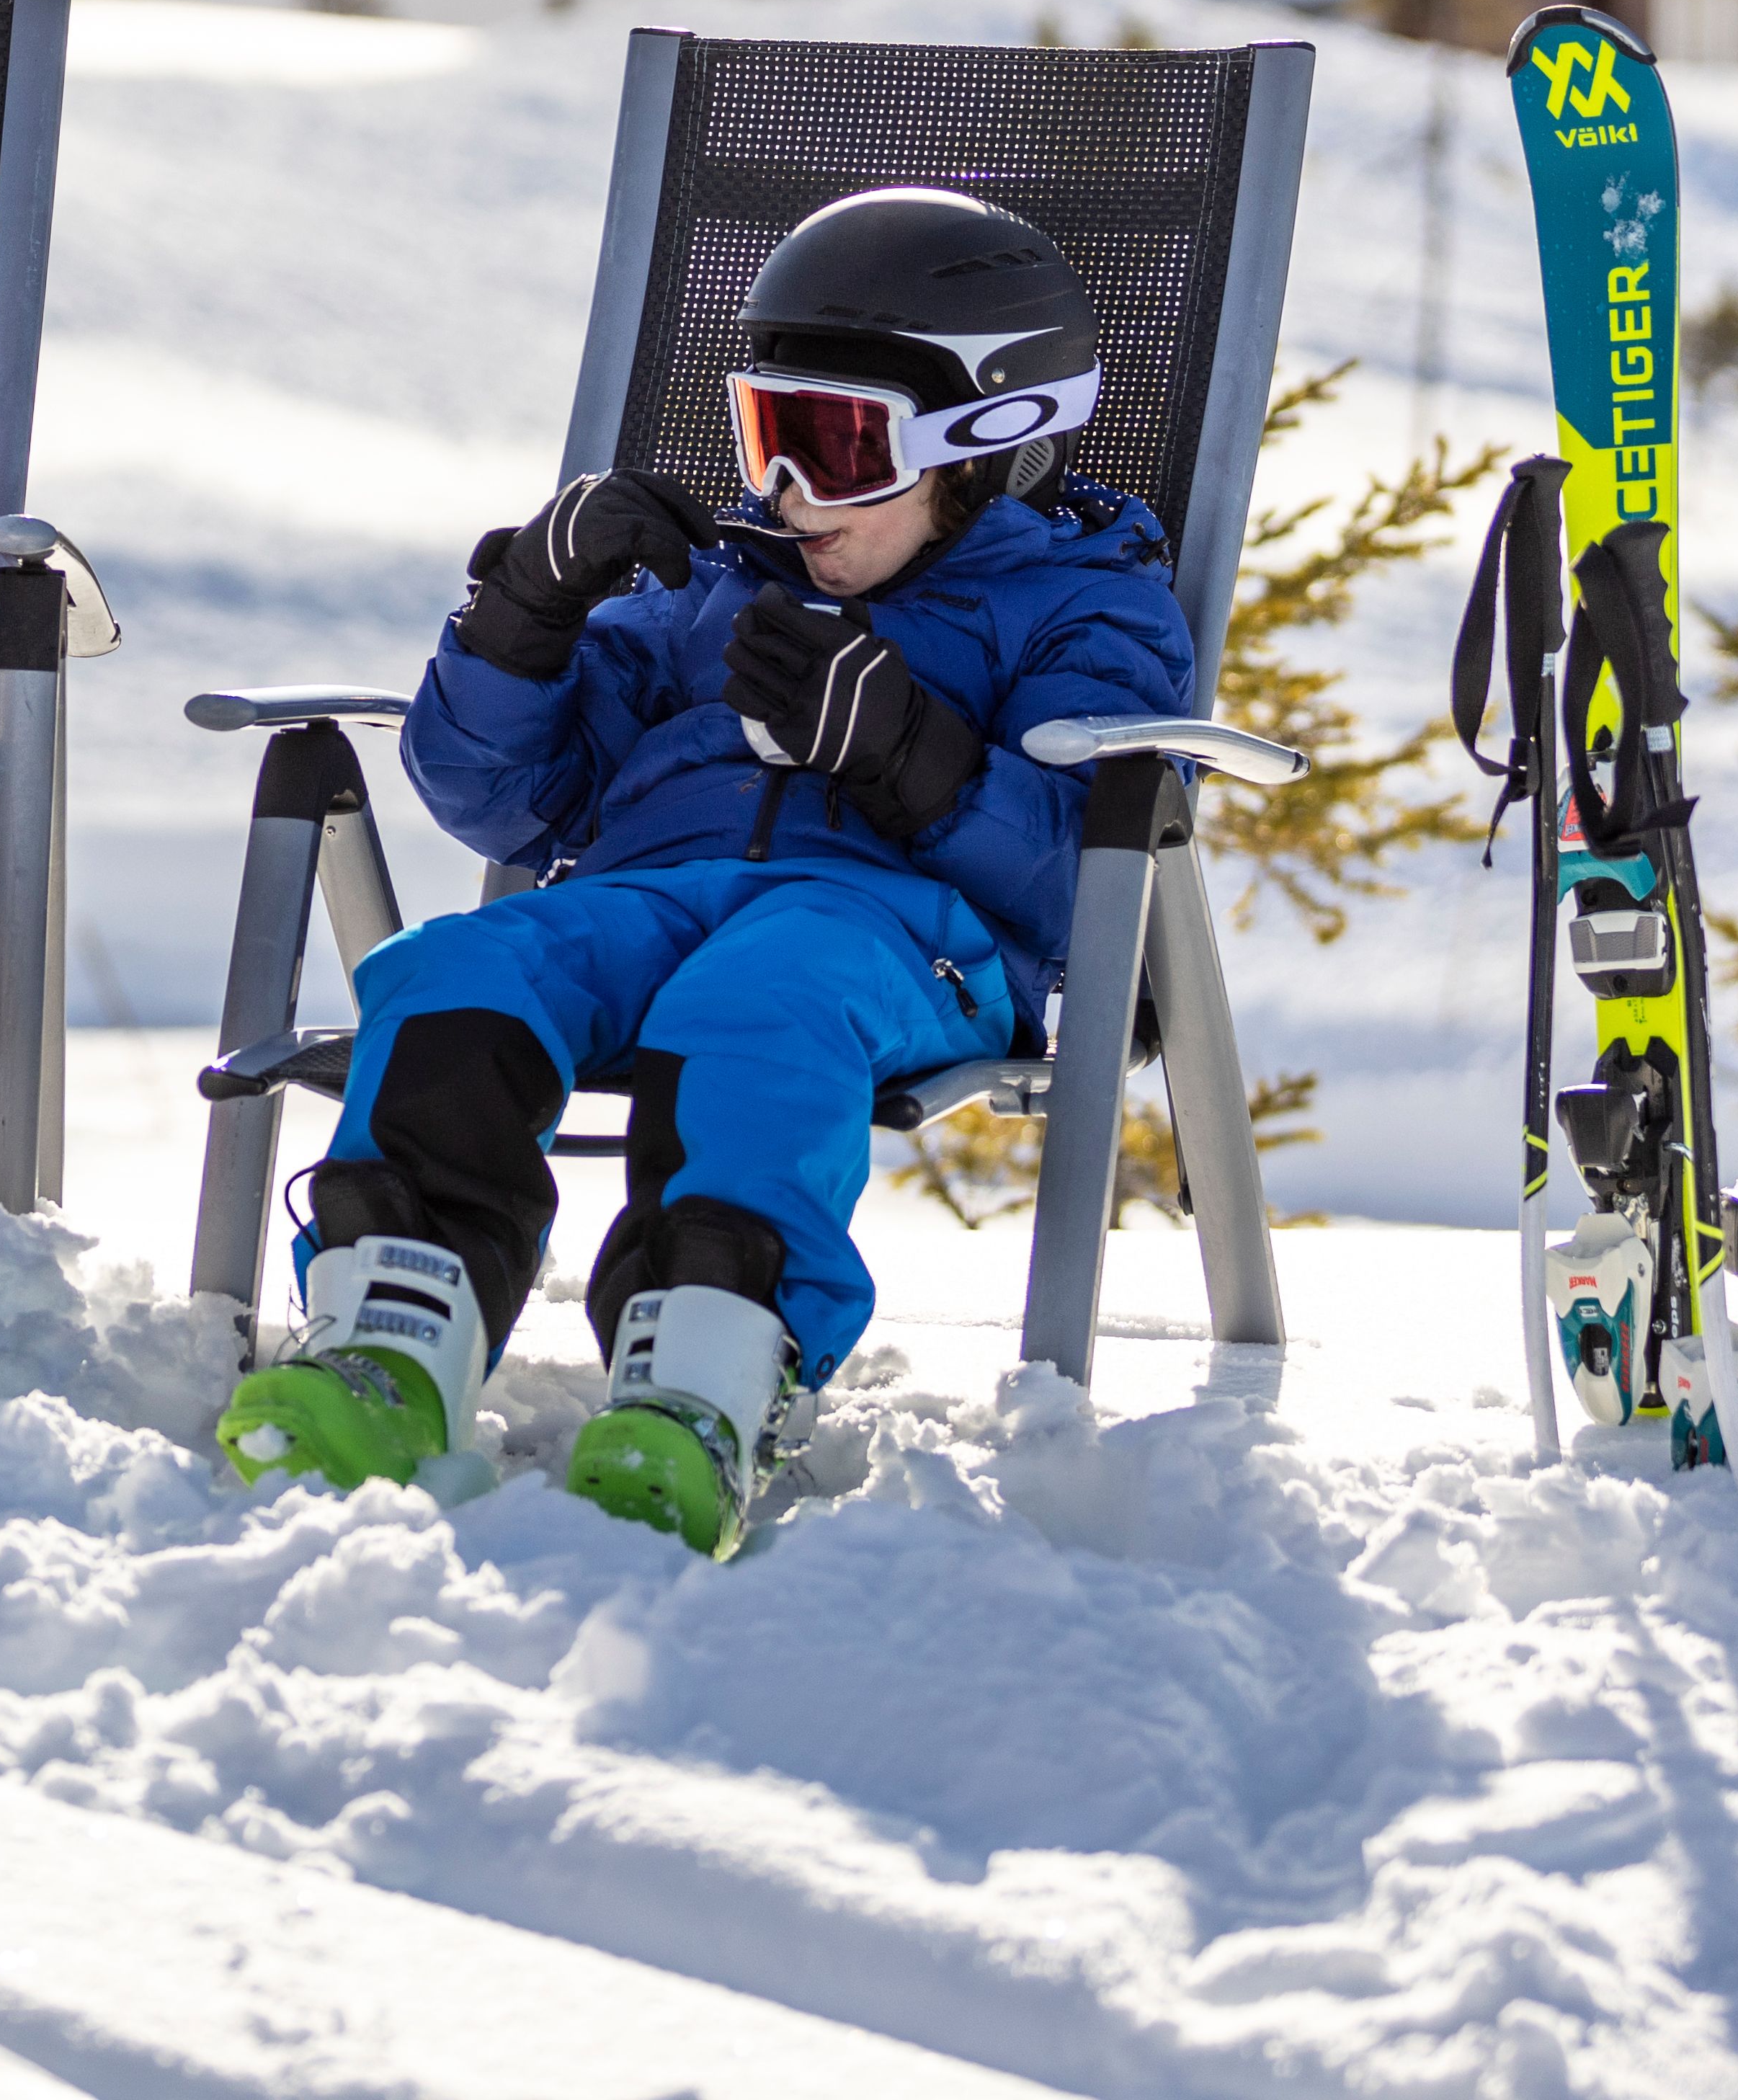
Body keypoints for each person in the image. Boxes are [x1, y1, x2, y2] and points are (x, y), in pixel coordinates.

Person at [218, 189, 1195, 1554]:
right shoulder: (711, 586)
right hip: (643, 895)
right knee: (465, 965)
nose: (788, 491)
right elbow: (496, 796)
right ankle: (391, 1332)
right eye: (767, 436)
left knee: (763, 993)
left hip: (894, 931)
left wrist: (912, 754)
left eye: (840, 447)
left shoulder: (1087, 602)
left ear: (988, 445)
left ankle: (711, 1371)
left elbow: (1084, 876)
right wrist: (528, 618)